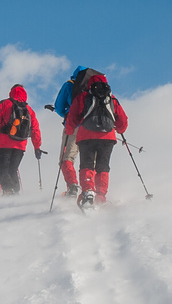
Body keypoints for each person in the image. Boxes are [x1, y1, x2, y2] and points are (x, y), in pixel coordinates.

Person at [63, 73, 127, 209]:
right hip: (107, 138)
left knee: (87, 165)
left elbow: (72, 117)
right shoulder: (112, 99)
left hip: (86, 137)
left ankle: (88, 192)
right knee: (103, 167)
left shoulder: (83, 97)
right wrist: (119, 129)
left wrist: (69, 131)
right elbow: (123, 121)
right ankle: (101, 196)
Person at [49, 66, 100, 198]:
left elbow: (59, 108)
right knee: (89, 161)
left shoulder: (69, 85)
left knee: (67, 158)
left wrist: (67, 114)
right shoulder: (95, 86)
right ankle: (90, 190)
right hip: (93, 128)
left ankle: (72, 187)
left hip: (73, 126)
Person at [0, 84, 43, 195]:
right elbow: (35, 129)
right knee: (12, 169)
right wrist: (37, 147)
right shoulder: (28, 109)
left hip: (5, 144)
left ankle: (8, 191)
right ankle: (15, 193)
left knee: (2, 170)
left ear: (11, 92)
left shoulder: (5, 104)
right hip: (21, 145)